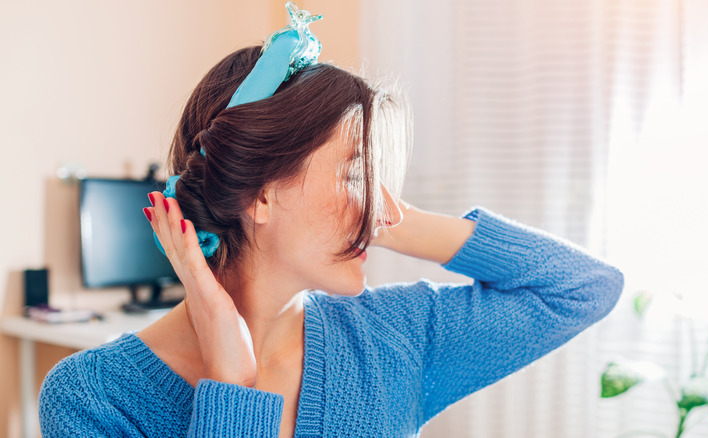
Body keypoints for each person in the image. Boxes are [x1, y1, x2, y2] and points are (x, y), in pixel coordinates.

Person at [38, 3, 624, 437]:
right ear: (259, 194)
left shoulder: (393, 337)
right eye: (352, 176)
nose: (370, 202)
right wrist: (231, 385)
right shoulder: (93, 400)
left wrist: (400, 220)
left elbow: (584, 289)